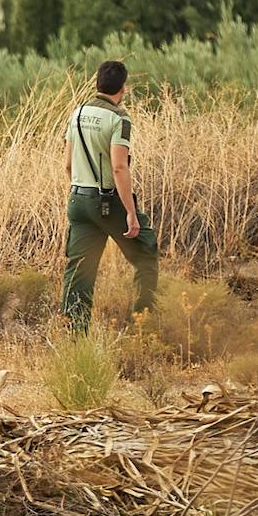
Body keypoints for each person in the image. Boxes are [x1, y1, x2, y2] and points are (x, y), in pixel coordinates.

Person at [60, 60, 159, 333]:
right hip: (106, 201)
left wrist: (81, 190)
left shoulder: (77, 113)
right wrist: (129, 211)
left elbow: (67, 163)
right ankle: (143, 326)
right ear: (123, 88)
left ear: (97, 83)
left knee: (79, 270)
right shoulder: (120, 119)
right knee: (146, 252)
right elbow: (119, 166)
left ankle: (73, 335)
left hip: (78, 199)